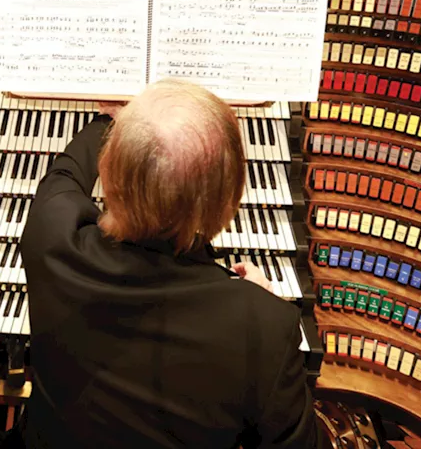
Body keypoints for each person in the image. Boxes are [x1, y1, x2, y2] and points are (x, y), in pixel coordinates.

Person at [20, 79, 315, 449]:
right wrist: (254, 312)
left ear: (108, 175)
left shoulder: (50, 238)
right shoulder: (266, 329)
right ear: (230, 199)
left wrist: (109, 123)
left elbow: (63, 176)